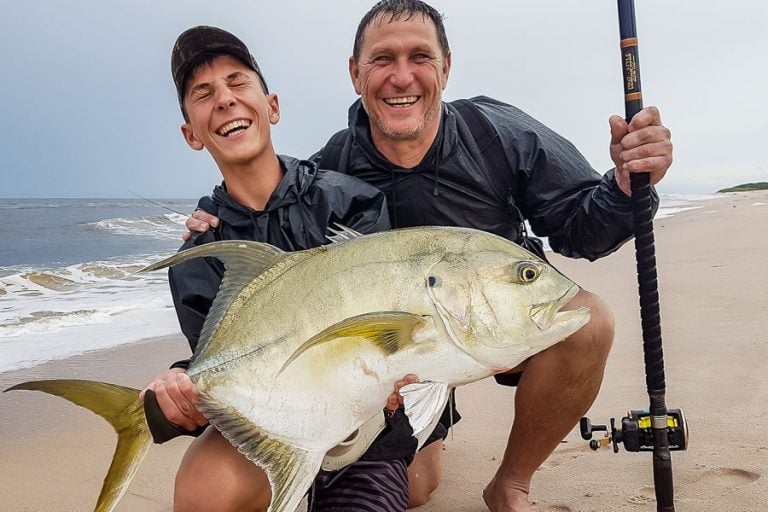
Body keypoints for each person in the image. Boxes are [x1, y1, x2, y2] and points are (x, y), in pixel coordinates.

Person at [185, 2, 674, 511]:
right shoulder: (333, 169)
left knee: (588, 322)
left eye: (420, 56)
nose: (402, 77)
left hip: (497, 318)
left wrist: (623, 186)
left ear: (446, 67)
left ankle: (511, 481)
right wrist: (215, 219)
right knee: (416, 488)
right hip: (408, 349)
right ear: (355, 73)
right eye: (381, 60)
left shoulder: (499, 135)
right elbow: (292, 253)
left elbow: (580, 232)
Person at [142, 25, 425, 512]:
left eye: (237, 82)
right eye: (204, 94)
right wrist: (179, 388)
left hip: (366, 423)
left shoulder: (352, 202)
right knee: (202, 491)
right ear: (191, 134)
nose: (226, 101)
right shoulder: (201, 253)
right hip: (273, 428)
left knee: (420, 484)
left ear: (272, 106)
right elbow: (225, 368)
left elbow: (388, 329)